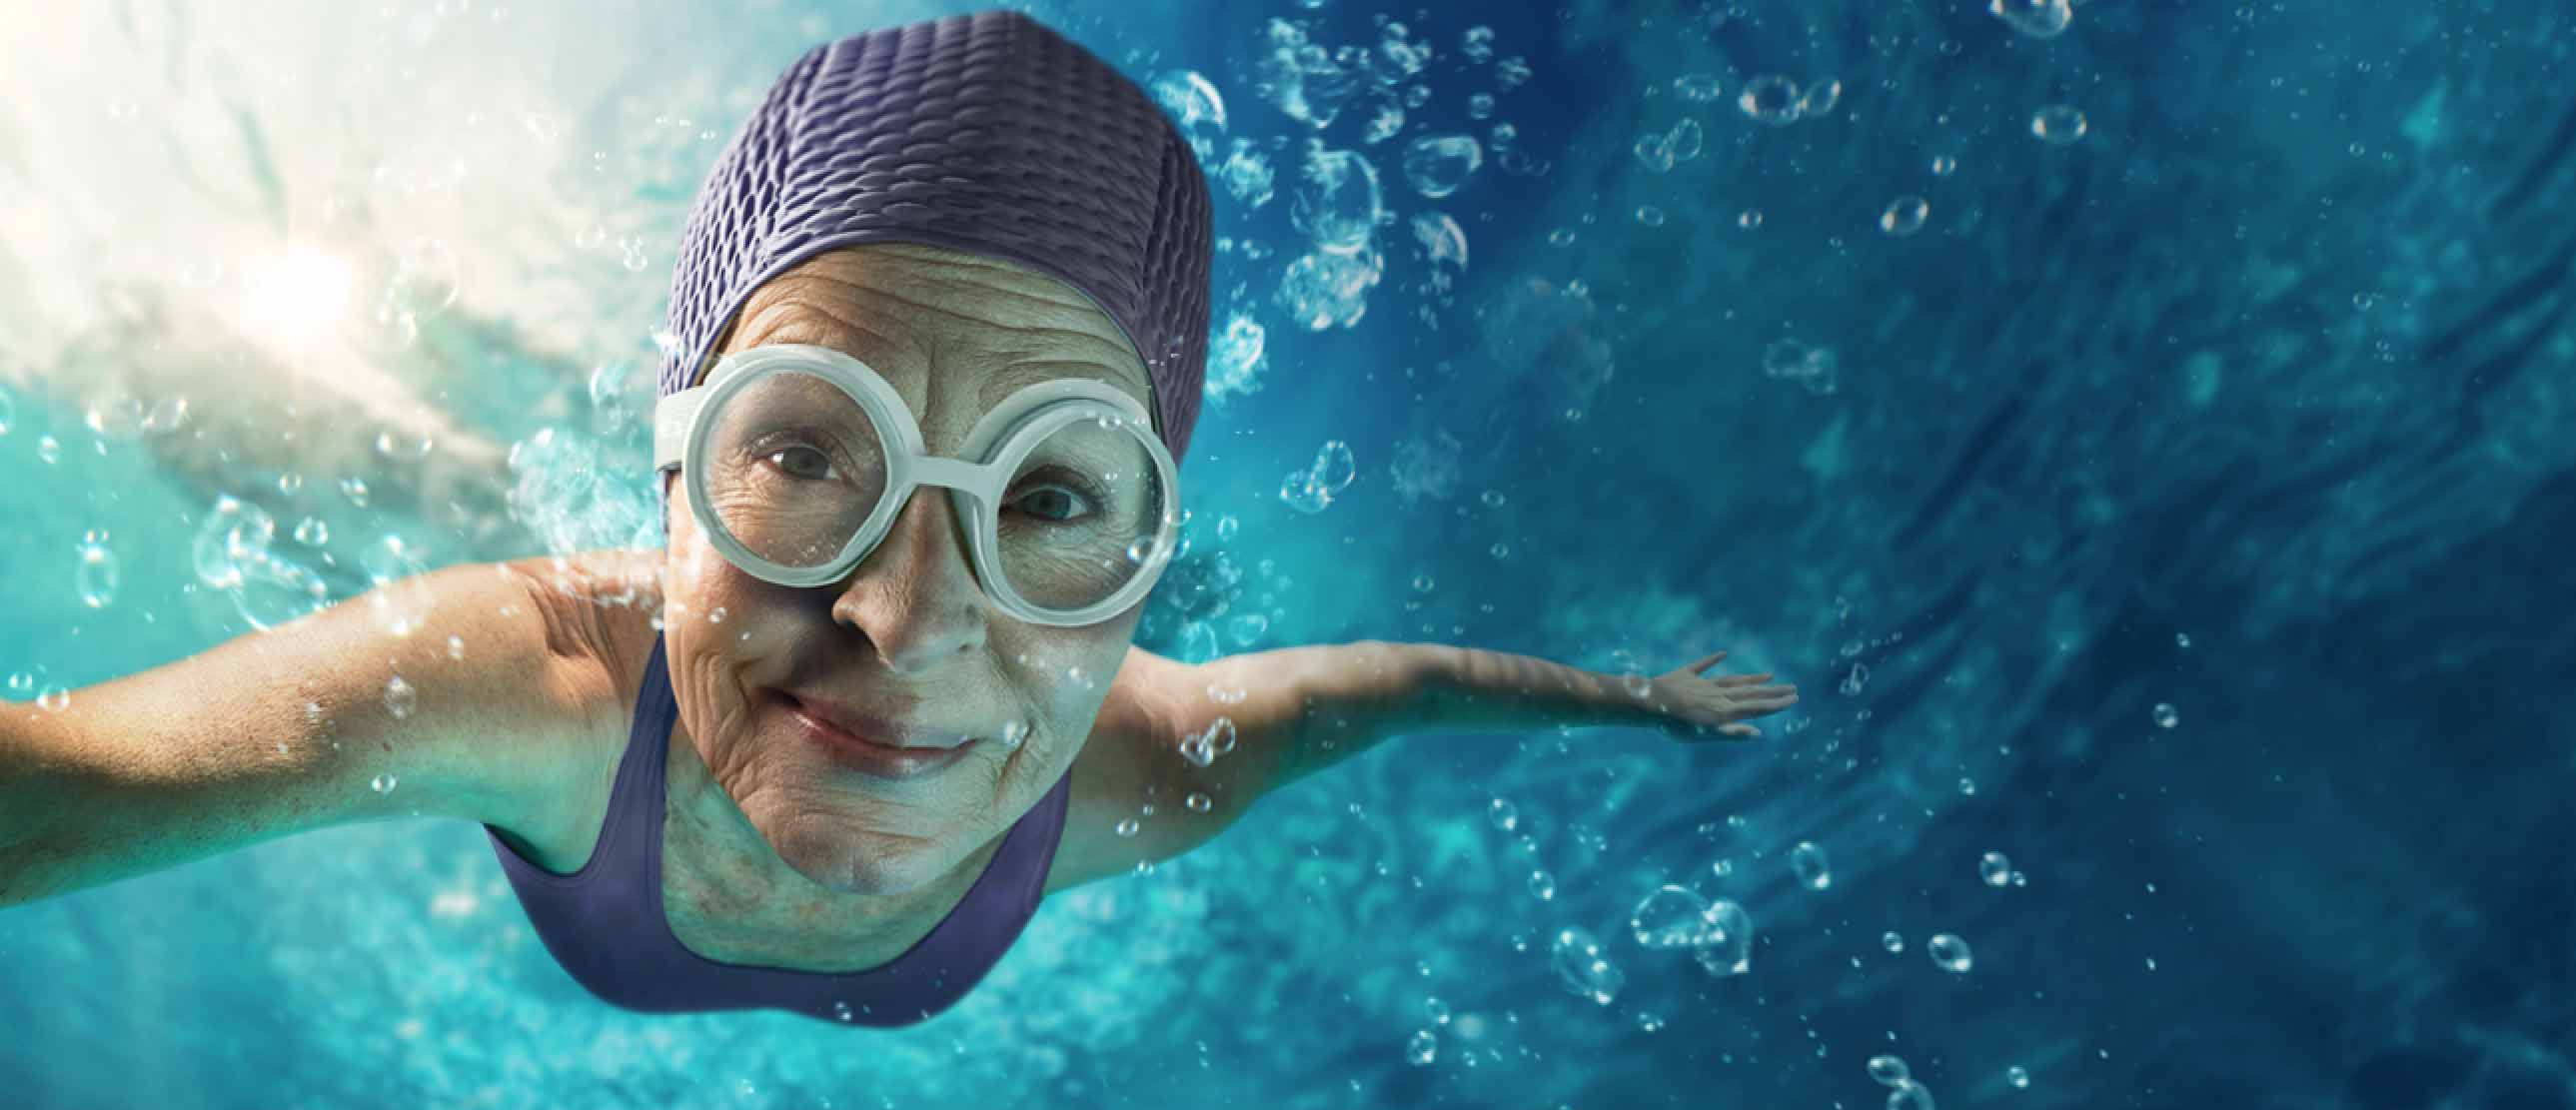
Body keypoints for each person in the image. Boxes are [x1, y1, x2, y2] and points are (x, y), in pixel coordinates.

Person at [0, 12, 1798, 1027]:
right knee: (426, 488)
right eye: (803, 450)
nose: (910, 617)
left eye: (1056, 495)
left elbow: (1381, 684)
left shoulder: (1150, 755)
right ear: (678, 464)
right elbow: (69, 798)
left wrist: (1639, 700)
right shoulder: (530, 677)